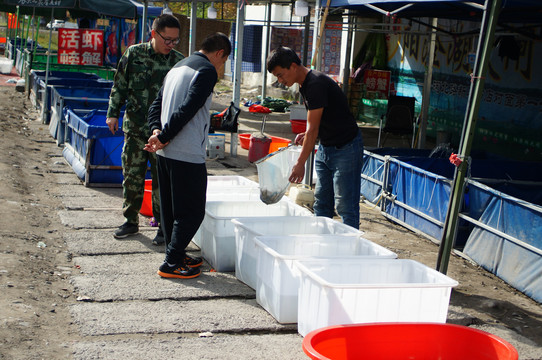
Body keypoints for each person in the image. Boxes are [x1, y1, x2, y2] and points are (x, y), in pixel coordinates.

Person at [145, 33, 232, 279]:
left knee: (172, 210)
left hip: (165, 153)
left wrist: (157, 131)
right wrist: (165, 135)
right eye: (223, 61)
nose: (221, 66)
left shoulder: (178, 67)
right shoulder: (206, 71)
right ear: (219, 54)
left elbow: (156, 105)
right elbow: (189, 108)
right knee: (192, 211)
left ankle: (177, 253)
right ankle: (171, 262)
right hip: (185, 152)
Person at [106, 14, 185, 245]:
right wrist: (113, 113)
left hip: (163, 135)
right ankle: (130, 220)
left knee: (163, 180)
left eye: (175, 40)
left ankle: (163, 226)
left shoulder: (178, 62)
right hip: (135, 129)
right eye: (167, 39)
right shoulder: (134, 54)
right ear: (154, 33)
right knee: (132, 176)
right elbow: (119, 85)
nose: (170, 45)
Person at [267, 47, 364, 229]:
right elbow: (321, 121)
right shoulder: (305, 84)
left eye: (281, 75)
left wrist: (300, 163)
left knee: (345, 205)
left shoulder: (315, 84)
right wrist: (310, 134)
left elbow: (312, 129)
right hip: (326, 147)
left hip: (346, 148)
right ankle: (322, 241)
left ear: (293, 66)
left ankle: (350, 249)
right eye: (277, 77)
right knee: (321, 202)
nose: (280, 80)